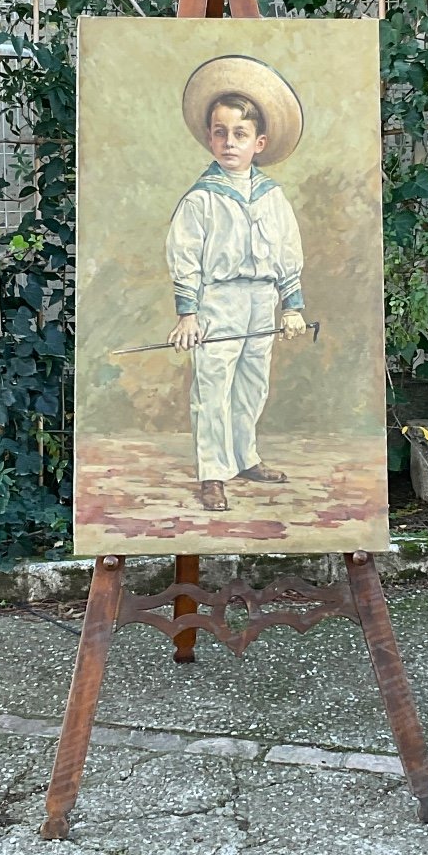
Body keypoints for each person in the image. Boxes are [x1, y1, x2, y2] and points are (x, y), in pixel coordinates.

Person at [166, 55, 307, 512]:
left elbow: (287, 251)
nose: (230, 142)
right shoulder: (201, 198)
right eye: (221, 132)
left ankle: (245, 457)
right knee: (213, 387)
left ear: (259, 142)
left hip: (261, 299)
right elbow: (184, 255)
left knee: (252, 383)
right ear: (210, 137)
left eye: (240, 134)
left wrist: (291, 305)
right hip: (219, 303)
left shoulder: (273, 197)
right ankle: (212, 473)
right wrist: (188, 314)